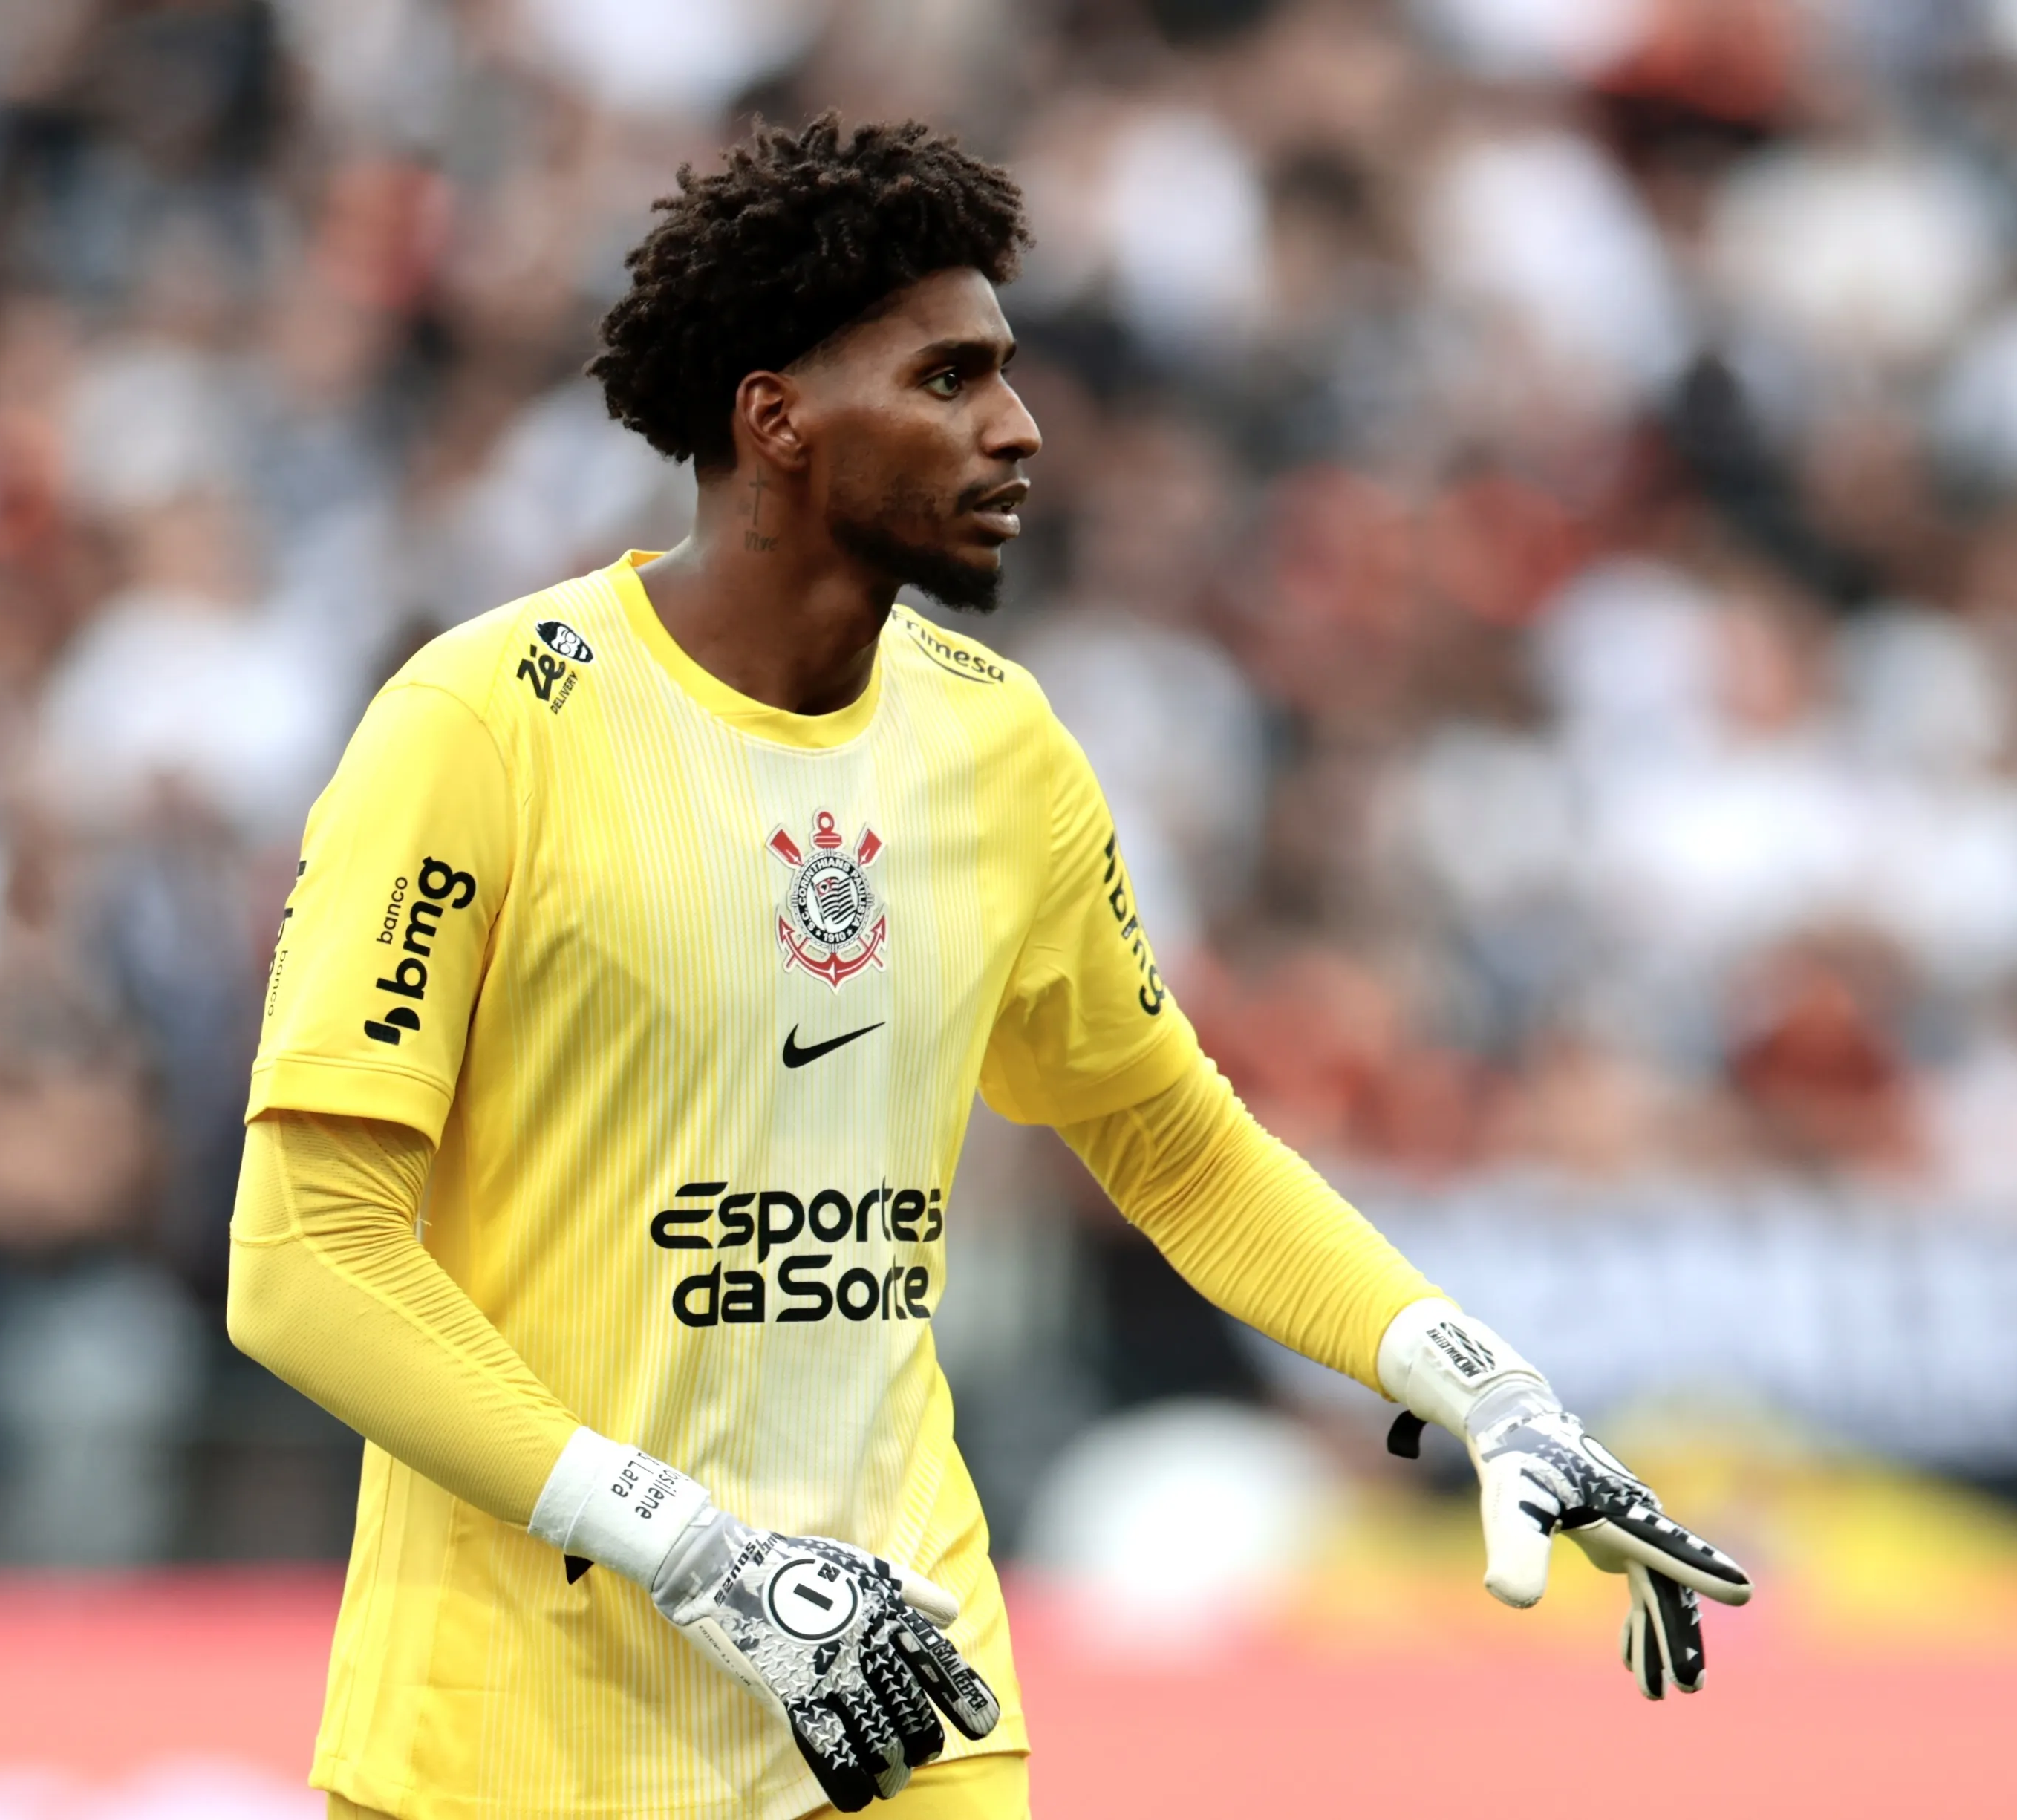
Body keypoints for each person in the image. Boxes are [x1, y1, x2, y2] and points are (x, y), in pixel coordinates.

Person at [225, 115, 1750, 1820]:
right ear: (774, 419)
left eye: (1005, 375)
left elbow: (1168, 1136)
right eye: (948, 380)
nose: (1017, 429)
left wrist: (1481, 1381)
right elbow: (305, 1263)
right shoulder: (487, 723)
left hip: (902, 1696)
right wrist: (697, 1550)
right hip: (525, 1737)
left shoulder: (996, 746)